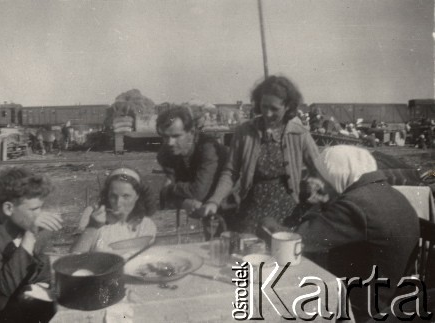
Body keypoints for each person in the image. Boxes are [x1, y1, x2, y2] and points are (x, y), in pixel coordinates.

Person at [296, 146, 420, 322]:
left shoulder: (355, 205)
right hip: (394, 299)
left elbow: (299, 240)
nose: (316, 181)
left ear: (335, 175)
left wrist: (310, 204)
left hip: (364, 311)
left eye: (319, 175)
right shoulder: (387, 192)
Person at [201, 75, 325, 236]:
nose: (267, 113)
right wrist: (214, 200)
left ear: (287, 107)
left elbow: (320, 170)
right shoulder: (244, 132)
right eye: (264, 106)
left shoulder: (299, 134)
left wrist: (315, 193)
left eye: (274, 109)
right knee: (249, 254)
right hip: (252, 206)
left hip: (287, 210)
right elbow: (230, 172)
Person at [0, 167, 63, 323]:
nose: (40, 214)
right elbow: (4, 286)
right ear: (8, 208)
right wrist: (30, 235)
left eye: (41, 207)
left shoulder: (35, 224)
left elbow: (43, 273)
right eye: (34, 209)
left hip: (27, 297)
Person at [156, 105, 230, 238]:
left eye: (176, 136)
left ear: (191, 132)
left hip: (231, 202)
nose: (170, 143)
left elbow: (198, 192)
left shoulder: (208, 148)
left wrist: (170, 189)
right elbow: (165, 197)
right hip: (205, 209)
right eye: (165, 137)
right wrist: (183, 202)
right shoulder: (165, 153)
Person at [71, 167, 157, 253]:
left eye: (126, 196)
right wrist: (92, 227)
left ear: (137, 196)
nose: (118, 203)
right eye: (113, 196)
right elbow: (74, 259)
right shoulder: (92, 215)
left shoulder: (145, 225)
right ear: (107, 194)